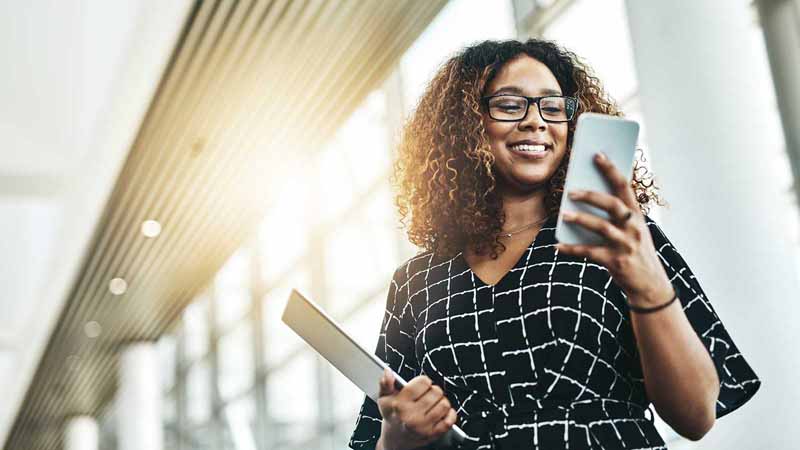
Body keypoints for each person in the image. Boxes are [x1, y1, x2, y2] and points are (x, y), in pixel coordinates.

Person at [348, 39, 760, 450]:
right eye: (510, 106)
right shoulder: (416, 282)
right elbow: (376, 434)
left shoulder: (617, 235)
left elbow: (696, 415)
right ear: (464, 125)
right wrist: (396, 440)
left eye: (553, 107)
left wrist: (646, 283)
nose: (536, 122)